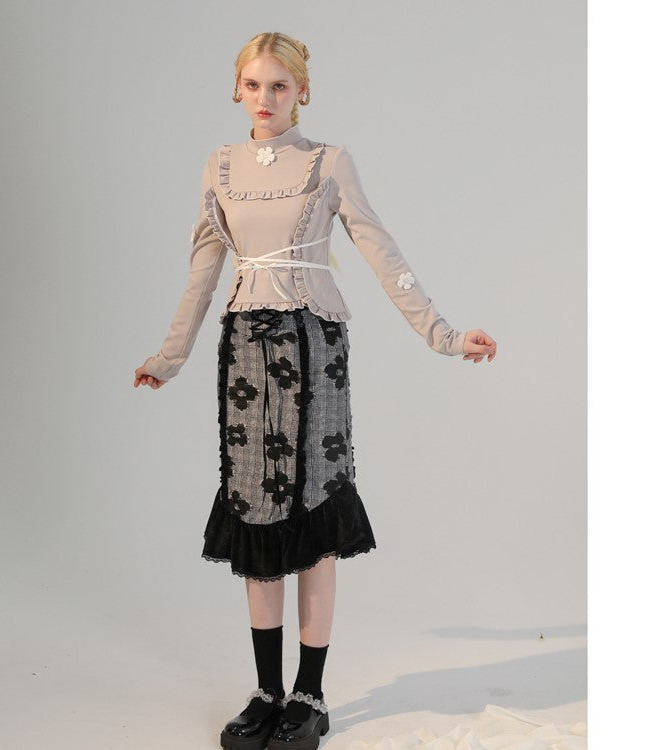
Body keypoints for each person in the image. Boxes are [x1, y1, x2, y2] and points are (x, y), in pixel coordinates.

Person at [133, 31, 496, 750]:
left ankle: (310, 694)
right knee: (255, 512)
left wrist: (445, 335)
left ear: (302, 90)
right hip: (245, 349)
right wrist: (169, 356)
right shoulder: (219, 166)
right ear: (236, 89)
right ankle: (266, 691)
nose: (264, 99)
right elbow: (203, 269)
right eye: (253, 85)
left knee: (313, 514)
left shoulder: (328, 162)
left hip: (313, 345)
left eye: (279, 85)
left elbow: (380, 249)